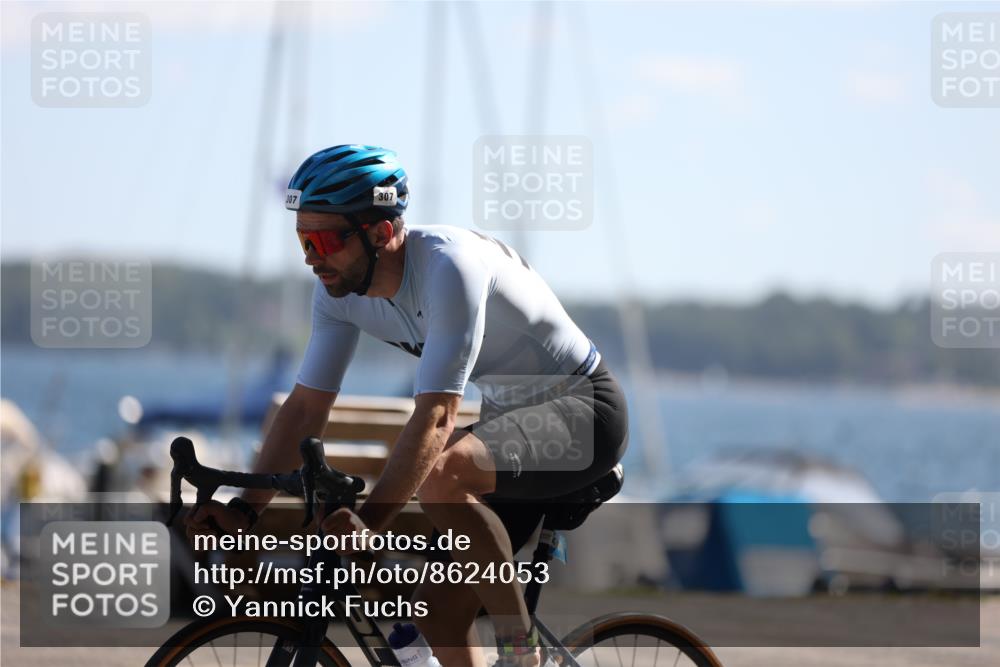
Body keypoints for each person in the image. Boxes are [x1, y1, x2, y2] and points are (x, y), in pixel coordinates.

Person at [186, 145, 629, 667]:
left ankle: (520, 648)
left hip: (585, 411)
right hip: (509, 421)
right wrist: (245, 510)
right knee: (437, 615)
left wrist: (369, 524)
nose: (310, 257)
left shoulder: (449, 268)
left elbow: (437, 417)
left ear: (380, 232)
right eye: (302, 239)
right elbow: (305, 409)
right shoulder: (336, 293)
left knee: (443, 475)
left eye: (323, 241)